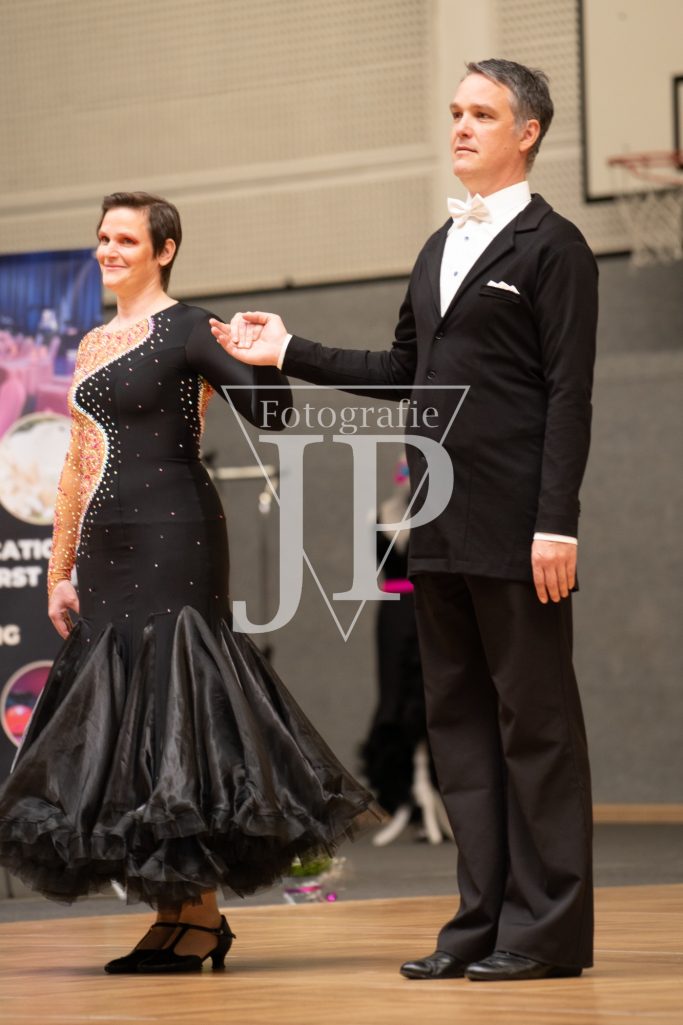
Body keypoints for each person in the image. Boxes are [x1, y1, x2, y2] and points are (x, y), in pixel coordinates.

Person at [211, 59, 597, 982]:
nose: (460, 126)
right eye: (455, 111)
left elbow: (568, 395)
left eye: (481, 114)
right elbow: (400, 372)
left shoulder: (555, 247)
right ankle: (479, 924)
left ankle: (546, 932)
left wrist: (556, 523)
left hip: (520, 530)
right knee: (457, 727)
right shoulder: (436, 247)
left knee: (535, 728)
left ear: (527, 132)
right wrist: (286, 349)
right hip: (437, 526)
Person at [0, 192, 375, 974]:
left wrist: (262, 352)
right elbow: (76, 464)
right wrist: (60, 567)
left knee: (179, 710)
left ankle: (197, 917)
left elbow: (271, 412)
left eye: (126, 239)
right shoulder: (92, 342)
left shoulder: (190, 327)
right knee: (132, 719)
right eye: (103, 237)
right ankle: (175, 915)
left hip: (176, 536)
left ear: (164, 250)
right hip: (108, 544)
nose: (108, 250)